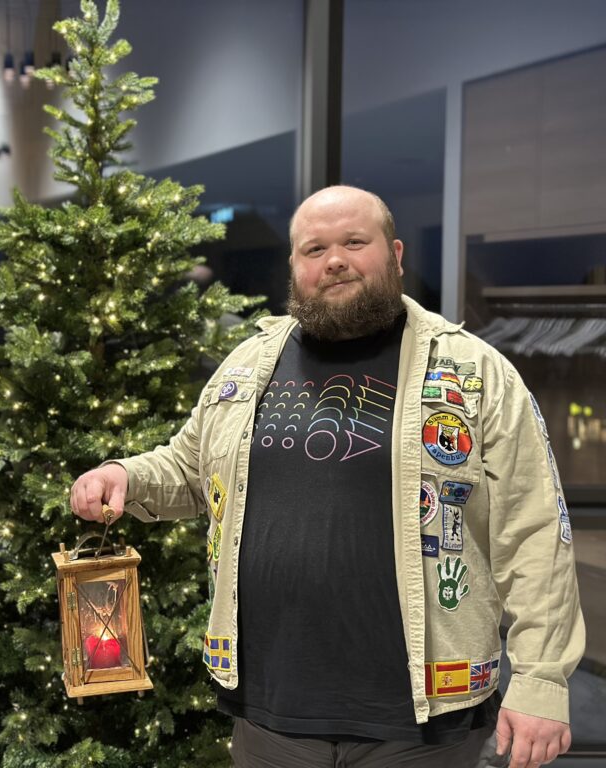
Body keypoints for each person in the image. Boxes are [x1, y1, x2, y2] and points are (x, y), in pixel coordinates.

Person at [71, 186, 584, 768]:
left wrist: (542, 681)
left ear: (394, 254)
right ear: (295, 266)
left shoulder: (474, 371)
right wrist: (124, 476)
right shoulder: (247, 365)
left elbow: (536, 528)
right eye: (314, 248)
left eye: (353, 242)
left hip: (423, 725)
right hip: (271, 715)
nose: (333, 259)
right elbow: (189, 468)